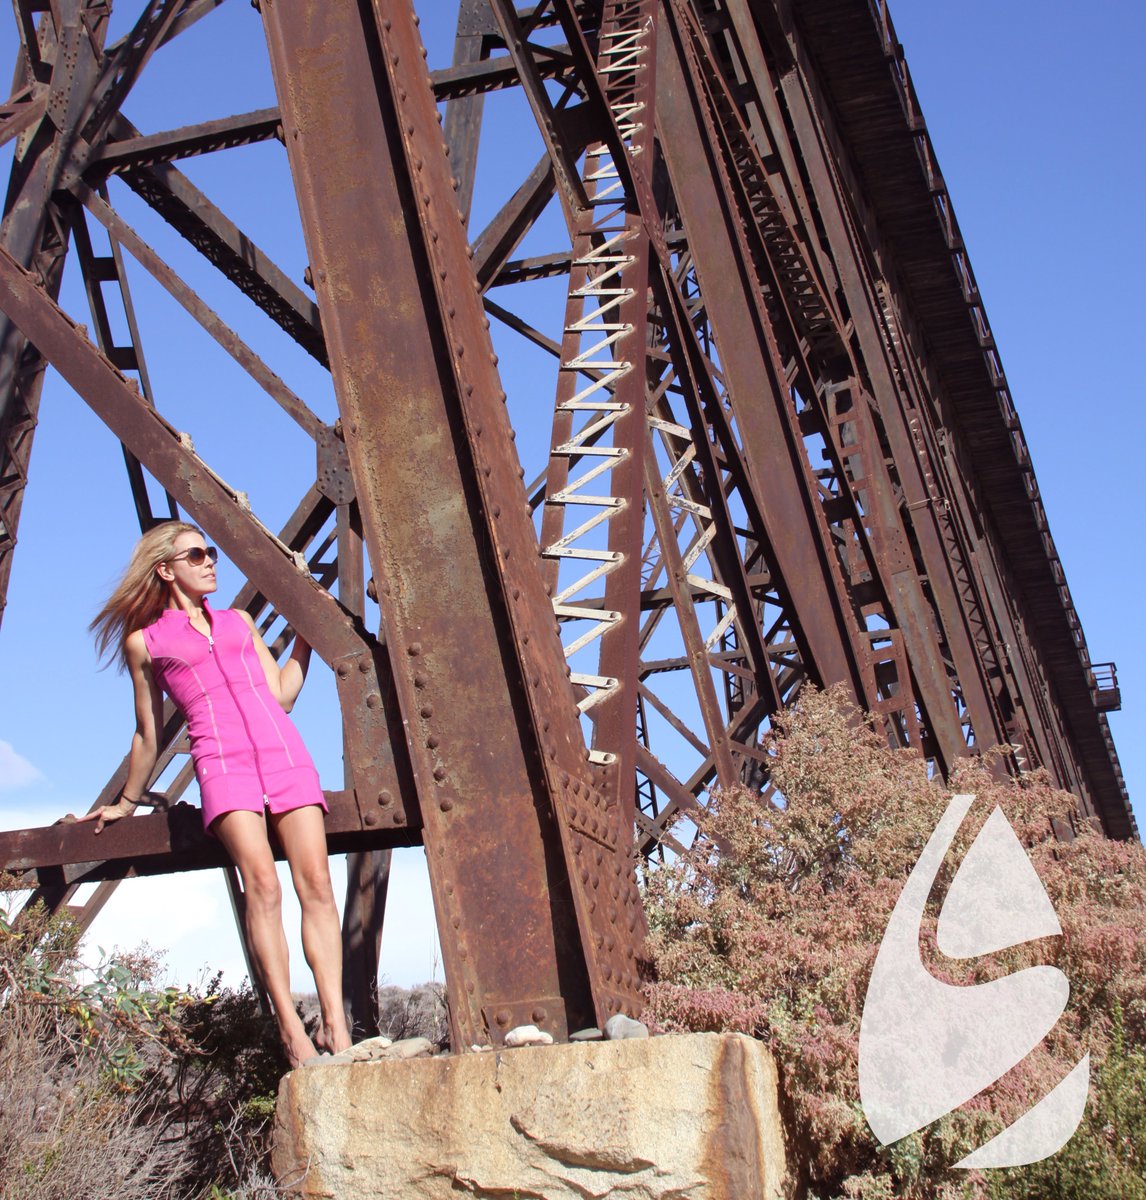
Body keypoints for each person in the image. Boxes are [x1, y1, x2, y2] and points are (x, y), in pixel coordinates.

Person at [80, 520, 351, 1068]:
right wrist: (127, 802)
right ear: (165, 569)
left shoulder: (239, 622)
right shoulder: (145, 642)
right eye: (197, 555)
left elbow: (282, 695)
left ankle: (335, 1026)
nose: (210, 562)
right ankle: (290, 1029)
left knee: (318, 884)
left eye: (211, 554)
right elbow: (147, 733)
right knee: (263, 886)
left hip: (285, 755)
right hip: (224, 768)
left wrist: (305, 638)